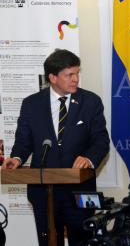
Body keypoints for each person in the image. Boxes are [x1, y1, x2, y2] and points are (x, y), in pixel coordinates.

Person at [2, 49, 110, 246]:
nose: (76, 79)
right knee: (49, 241)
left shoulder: (90, 102)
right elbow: (23, 141)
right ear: (52, 77)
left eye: (77, 73)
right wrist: (16, 158)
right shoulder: (31, 104)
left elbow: (101, 140)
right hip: (43, 191)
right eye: (70, 75)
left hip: (80, 189)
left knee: (84, 240)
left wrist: (88, 158)